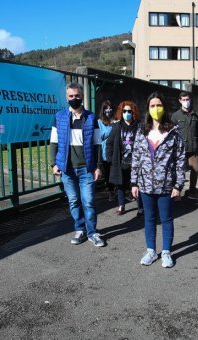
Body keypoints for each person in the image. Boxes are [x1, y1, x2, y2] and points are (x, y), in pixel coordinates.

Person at [131, 92, 185, 268]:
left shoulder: (173, 132)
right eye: (152, 106)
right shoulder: (141, 131)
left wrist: (178, 184)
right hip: (145, 185)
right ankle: (151, 251)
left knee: (167, 219)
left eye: (159, 105)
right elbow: (136, 158)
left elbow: (180, 160)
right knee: (149, 218)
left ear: (164, 107)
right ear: (148, 108)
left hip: (166, 185)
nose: (156, 109)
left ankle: (167, 252)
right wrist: (134, 182)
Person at [50, 82, 105, 247]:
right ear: (67, 98)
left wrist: (98, 166)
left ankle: (92, 232)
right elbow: (53, 143)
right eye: (71, 96)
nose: (74, 99)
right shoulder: (59, 117)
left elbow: (97, 144)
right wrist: (54, 163)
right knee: (73, 200)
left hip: (86, 168)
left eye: (77, 96)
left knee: (88, 201)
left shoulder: (91, 118)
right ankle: (79, 229)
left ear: (82, 97)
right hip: (67, 168)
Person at [106, 100, 143, 216]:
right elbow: (109, 143)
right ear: (121, 112)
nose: (127, 113)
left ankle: (140, 208)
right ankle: (121, 205)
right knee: (120, 184)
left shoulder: (139, 126)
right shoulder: (117, 126)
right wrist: (110, 158)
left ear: (133, 113)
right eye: (124, 111)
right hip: (121, 161)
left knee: (137, 184)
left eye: (129, 111)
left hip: (136, 162)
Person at [171, 91, 198, 200]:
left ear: (190, 100)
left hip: (193, 147)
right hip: (180, 149)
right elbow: (171, 132)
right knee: (179, 170)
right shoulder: (175, 115)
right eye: (183, 100)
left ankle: (192, 191)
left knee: (195, 169)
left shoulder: (196, 114)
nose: (186, 102)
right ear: (180, 101)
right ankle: (177, 192)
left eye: (187, 99)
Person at [98, 100, 117, 201]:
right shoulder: (100, 122)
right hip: (105, 153)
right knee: (108, 173)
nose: (108, 110)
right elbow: (100, 136)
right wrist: (112, 128)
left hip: (116, 151)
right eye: (106, 108)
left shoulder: (116, 120)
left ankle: (118, 190)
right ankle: (111, 192)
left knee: (116, 172)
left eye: (110, 108)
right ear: (103, 110)